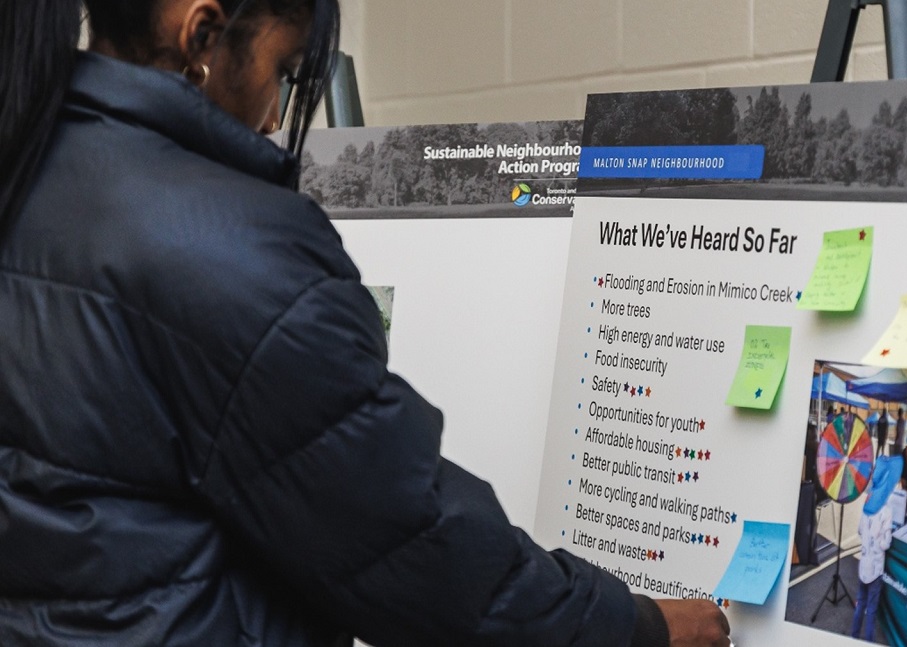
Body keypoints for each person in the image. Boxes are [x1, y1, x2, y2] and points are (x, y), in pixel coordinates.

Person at [0, 2, 730, 646]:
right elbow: (412, 543)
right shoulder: (233, 250)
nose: (278, 117)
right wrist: (636, 626)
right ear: (202, 33)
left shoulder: (30, 166)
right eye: (285, 71)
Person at [851, 456, 901, 642]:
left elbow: (859, 531)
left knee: (860, 605)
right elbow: (885, 544)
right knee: (871, 610)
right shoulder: (887, 511)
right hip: (876, 568)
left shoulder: (867, 505)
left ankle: (853, 637)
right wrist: (880, 537)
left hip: (863, 564)